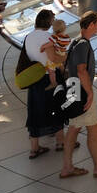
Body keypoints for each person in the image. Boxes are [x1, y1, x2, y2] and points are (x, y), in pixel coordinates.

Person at [59, 11, 97, 178]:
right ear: (91, 24)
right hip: (81, 90)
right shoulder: (83, 44)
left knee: (78, 128)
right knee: (87, 128)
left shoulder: (75, 42)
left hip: (73, 89)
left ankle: (70, 167)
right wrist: (90, 92)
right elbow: (81, 70)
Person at [23, 9, 66, 158]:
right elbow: (53, 58)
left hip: (35, 78)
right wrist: (64, 59)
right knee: (56, 108)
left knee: (34, 111)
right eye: (53, 20)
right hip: (49, 77)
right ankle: (61, 141)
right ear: (48, 22)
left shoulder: (28, 37)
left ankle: (34, 148)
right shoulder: (49, 37)